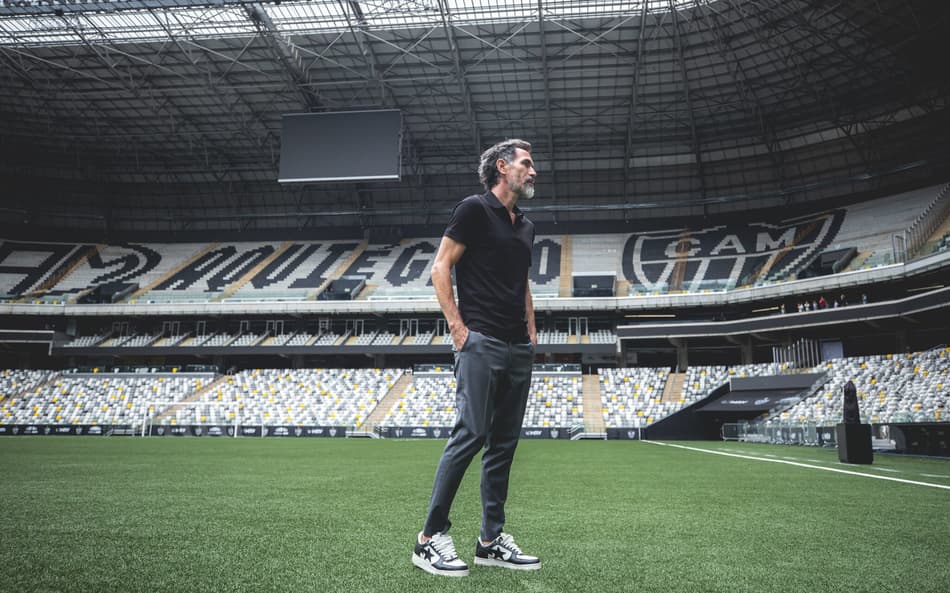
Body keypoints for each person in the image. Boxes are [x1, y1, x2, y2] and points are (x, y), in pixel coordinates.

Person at [411, 139, 541, 577]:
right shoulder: (472, 209)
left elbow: (521, 282)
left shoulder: (525, 225)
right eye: (526, 163)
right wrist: (457, 328)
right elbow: (440, 266)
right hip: (480, 341)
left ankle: (490, 541)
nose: (533, 171)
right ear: (503, 168)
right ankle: (429, 538)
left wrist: (530, 330)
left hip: (517, 346)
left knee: (503, 445)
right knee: (471, 433)